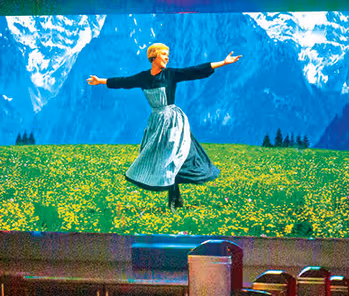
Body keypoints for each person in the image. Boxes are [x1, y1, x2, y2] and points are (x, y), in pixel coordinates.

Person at [88, 43, 239, 208]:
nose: (167, 57)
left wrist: (223, 63)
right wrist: (100, 81)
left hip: (173, 122)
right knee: (160, 159)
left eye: (168, 54)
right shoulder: (143, 77)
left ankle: (175, 200)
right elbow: (124, 81)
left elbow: (194, 71)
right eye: (164, 54)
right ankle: (175, 199)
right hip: (156, 122)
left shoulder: (171, 74)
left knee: (172, 157)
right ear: (154, 57)